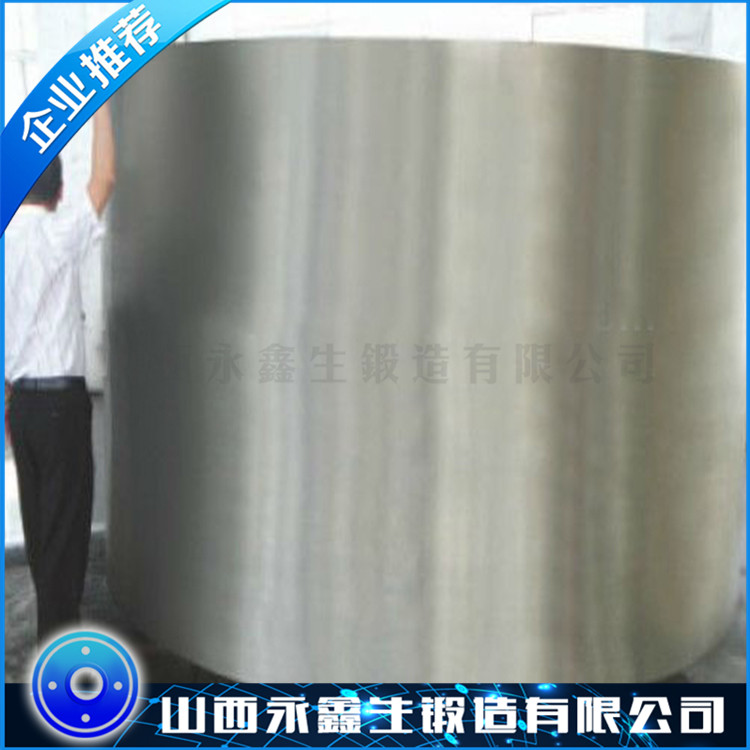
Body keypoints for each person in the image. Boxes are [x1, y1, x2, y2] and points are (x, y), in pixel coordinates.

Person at [5, 102, 116, 643]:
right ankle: (62, 662)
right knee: (66, 545)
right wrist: (102, 107)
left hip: (21, 408)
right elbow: (106, 178)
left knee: (42, 540)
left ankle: (51, 647)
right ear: (57, 191)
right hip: (59, 408)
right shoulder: (55, 233)